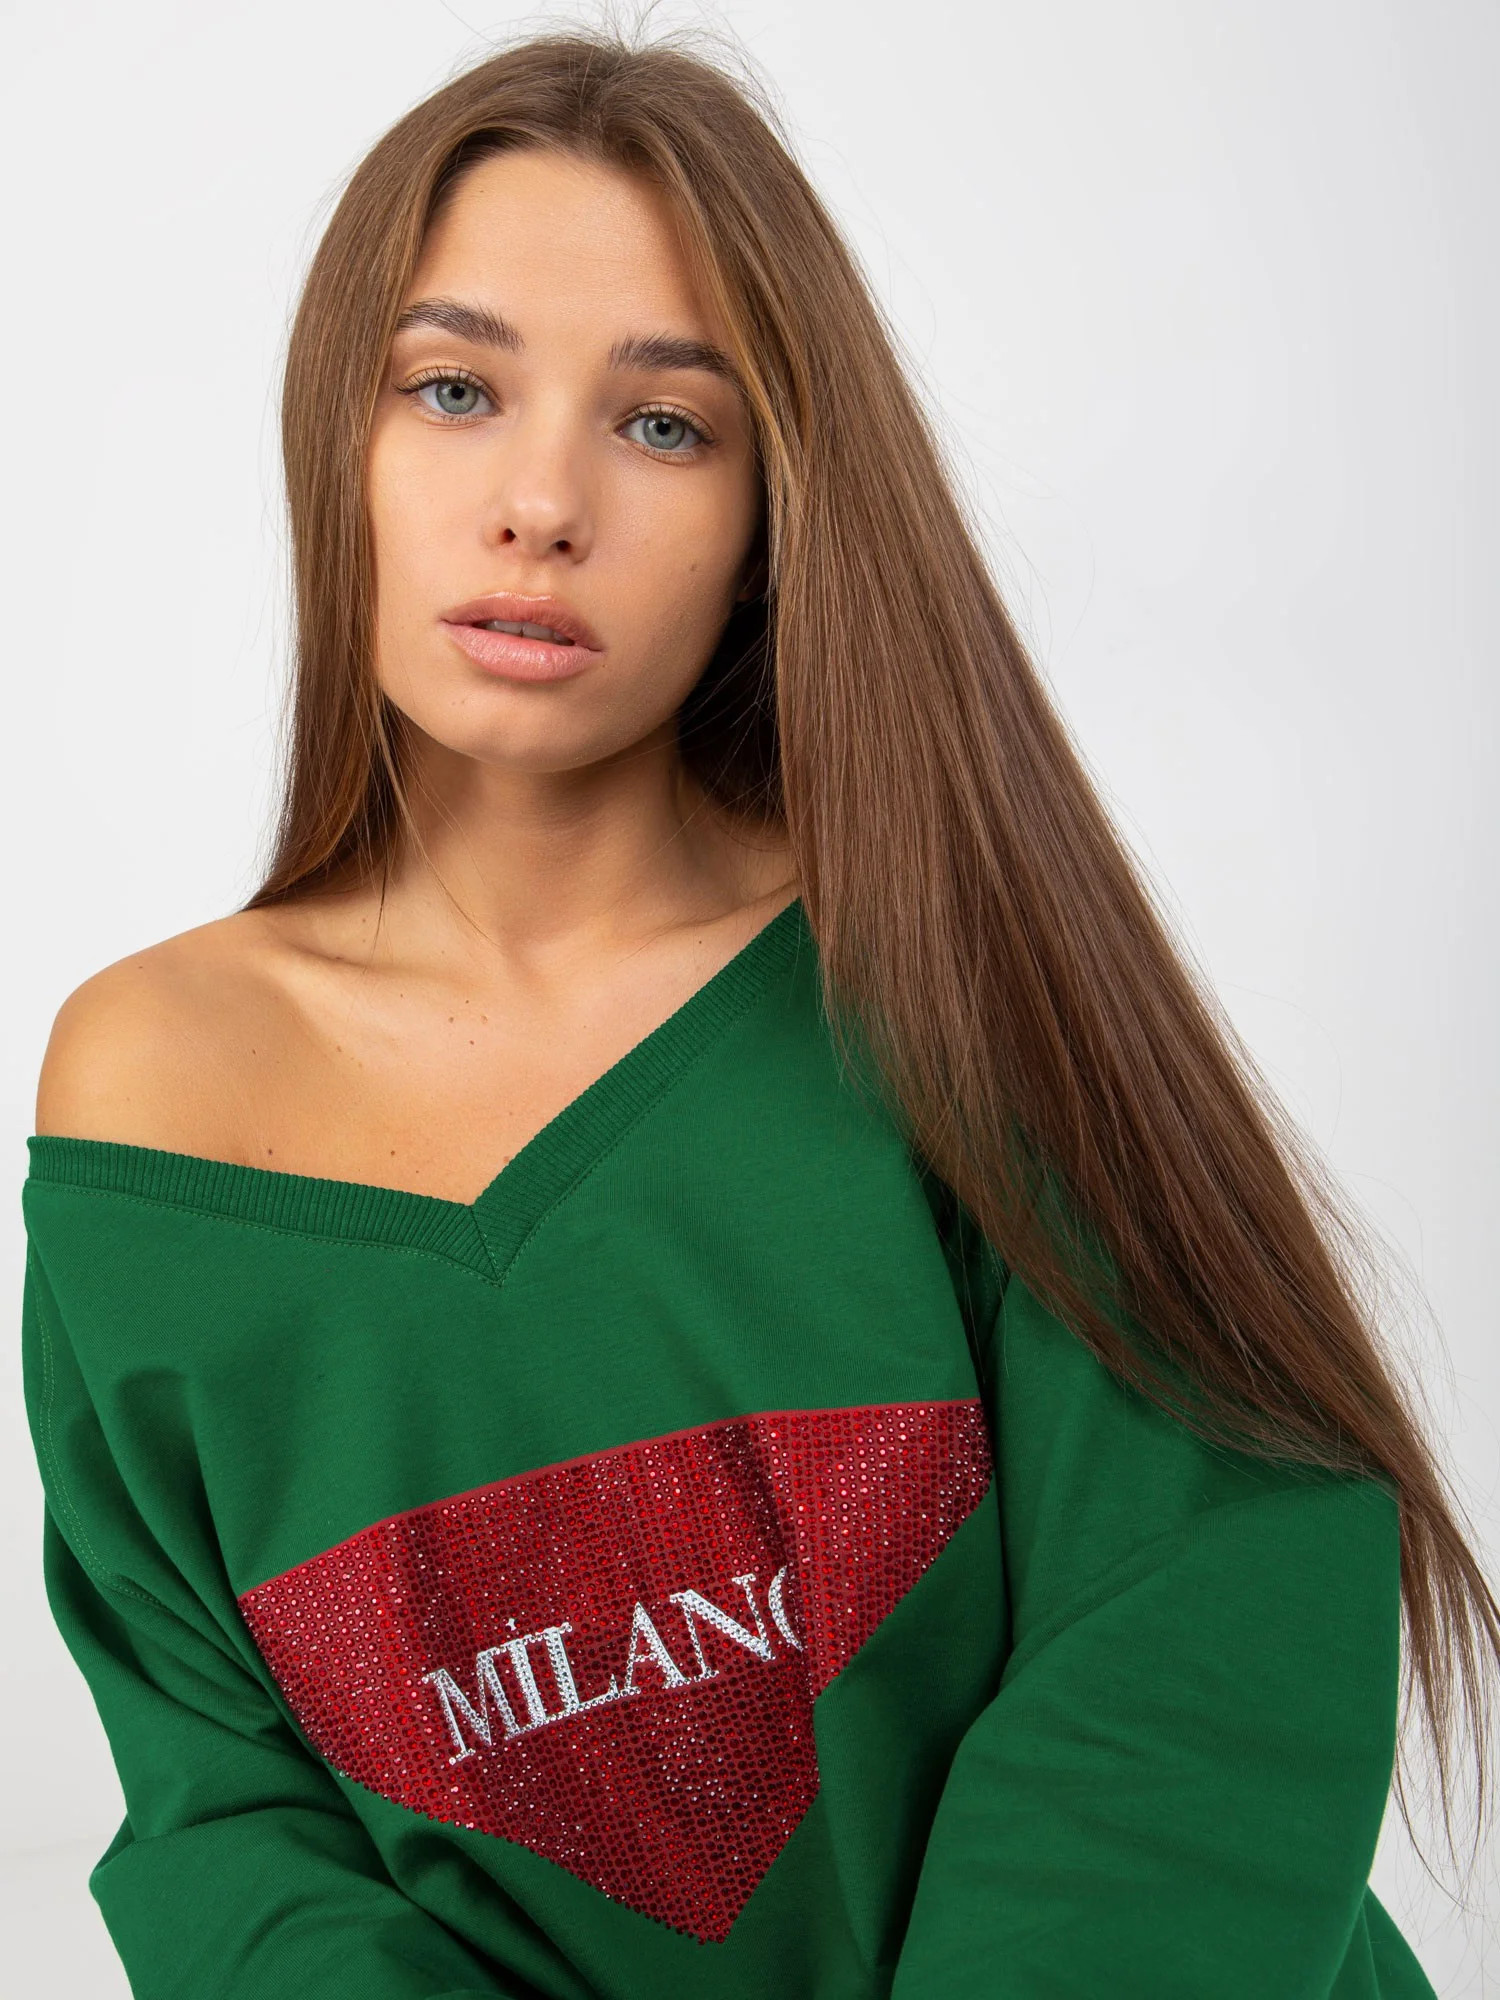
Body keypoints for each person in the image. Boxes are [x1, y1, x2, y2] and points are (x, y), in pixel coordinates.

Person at [18, 25, 1494, 2000]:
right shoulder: (150, 1091)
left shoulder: (945, 970)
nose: (542, 500)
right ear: (333, 438)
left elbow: (1202, 1636)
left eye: (663, 424)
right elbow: (235, 1825)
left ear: (770, 512)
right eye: (453, 388)